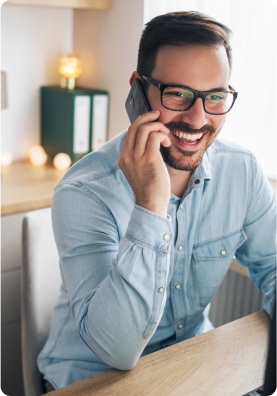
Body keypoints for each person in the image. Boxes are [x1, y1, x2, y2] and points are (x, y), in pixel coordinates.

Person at [38, 11, 277, 392]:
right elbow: (117, 351)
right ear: (137, 90)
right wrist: (151, 203)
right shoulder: (84, 191)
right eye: (178, 94)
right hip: (91, 377)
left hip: (191, 363)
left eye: (215, 96)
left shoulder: (242, 172)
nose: (198, 119)